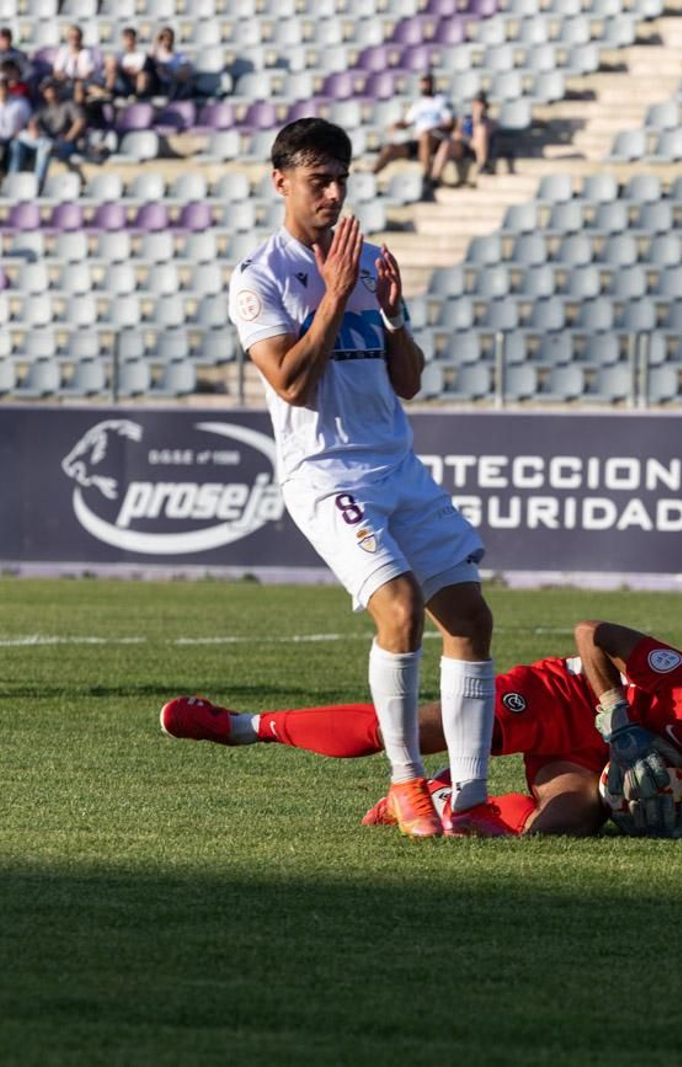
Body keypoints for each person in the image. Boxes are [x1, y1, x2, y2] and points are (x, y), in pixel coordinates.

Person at [225, 118, 502, 838]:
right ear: (280, 179)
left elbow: (407, 381)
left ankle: (468, 802)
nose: (335, 192)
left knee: (471, 618)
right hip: (325, 471)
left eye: (343, 178)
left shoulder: (369, 259)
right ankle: (408, 783)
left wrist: (392, 311)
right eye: (320, 179)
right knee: (400, 608)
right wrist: (332, 293)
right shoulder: (259, 277)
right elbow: (288, 382)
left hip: (395, 462)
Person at [159, 621, 682, 840]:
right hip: (564, 696)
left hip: (590, 765)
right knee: (415, 731)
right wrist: (620, 717)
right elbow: (591, 633)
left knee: (553, 831)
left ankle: (436, 799)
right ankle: (240, 726)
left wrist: (658, 807)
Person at [372, 72, 452, 178]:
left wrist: (431, 130)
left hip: (436, 139)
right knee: (389, 148)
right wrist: (396, 125)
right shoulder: (418, 104)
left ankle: (427, 177)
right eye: (423, 83)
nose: (425, 85)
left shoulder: (441, 101)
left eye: (427, 82)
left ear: (433, 84)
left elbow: (449, 123)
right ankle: (371, 175)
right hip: (419, 141)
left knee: (425, 136)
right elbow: (407, 122)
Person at [7, 78, 85, 185]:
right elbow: (32, 122)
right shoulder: (42, 107)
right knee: (16, 144)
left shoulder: (68, 104)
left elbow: (79, 122)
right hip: (46, 141)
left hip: (64, 144)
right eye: (47, 90)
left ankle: (38, 184)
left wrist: (67, 138)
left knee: (44, 149)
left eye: (52, 89)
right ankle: (12, 181)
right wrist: (33, 130)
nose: (50, 92)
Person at [428, 90, 494, 187]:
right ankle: (435, 177)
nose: (477, 105)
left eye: (480, 103)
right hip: (464, 145)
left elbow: (483, 135)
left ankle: (482, 164)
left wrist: (477, 118)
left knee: (480, 130)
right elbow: (456, 133)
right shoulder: (464, 118)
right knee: (446, 143)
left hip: (479, 149)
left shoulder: (489, 121)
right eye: (475, 102)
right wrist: (464, 138)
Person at [50, 24, 98, 102]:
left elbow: (89, 73)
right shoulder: (63, 51)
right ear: (68, 38)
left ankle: (77, 108)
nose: (74, 39)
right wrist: (62, 76)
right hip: (66, 82)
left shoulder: (86, 52)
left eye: (77, 37)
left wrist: (78, 80)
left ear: (80, 38)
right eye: (72, 37)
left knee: (79, 86)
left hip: (83, 82)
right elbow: (57, 71)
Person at [150, 26, 193, 99]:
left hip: (173, 85)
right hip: (159, 85)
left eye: (169, 37)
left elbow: (186, 73)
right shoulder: (157, 56)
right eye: (163, 38)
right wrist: (156, 41)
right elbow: (150, 61)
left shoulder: (180, 56)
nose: (166, 40)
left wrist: (169, 72)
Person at [0, 61, 30, 162]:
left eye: (4, 87)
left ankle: (14, 177)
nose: (2, 90)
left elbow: (28, 121)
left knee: (17, 146)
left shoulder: (20, 102)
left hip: (16, 137)